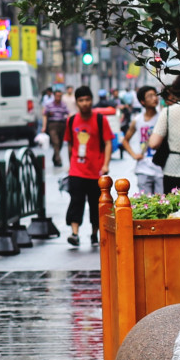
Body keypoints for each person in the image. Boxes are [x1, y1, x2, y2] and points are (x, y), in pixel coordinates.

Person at [63, 86, 113, 247]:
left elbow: (108, 143)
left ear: (91, 100)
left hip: (96, 171)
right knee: (76, 201)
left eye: (87, 99)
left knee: (95, 204)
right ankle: (74, 233)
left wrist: (105, 164)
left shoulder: (100, 120)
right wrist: (71, 164)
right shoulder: (71, 120)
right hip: (77, 170)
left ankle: (94, 234)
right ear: (76, 102)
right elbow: (70, 144)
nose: (84, 103)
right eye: (81, 100)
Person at [125, 85, 164, 195]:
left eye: (155, 95)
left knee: (161, 202)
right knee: (145, 203)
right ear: (142, 102)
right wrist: (134, 155)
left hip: (160, 169)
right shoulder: (137, 120)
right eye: (150, 96)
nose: (154, 98)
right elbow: (125, 140)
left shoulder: (162, 117)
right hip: (143, 168)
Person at [43, 87, 70, 167]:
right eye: (57, 96)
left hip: (62, 125)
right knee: (56, 142)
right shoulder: (49, 105)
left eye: (60, 96)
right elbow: (45, 115)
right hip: (52, 125)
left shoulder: (63, 105)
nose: (58, 97)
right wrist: (44, 127)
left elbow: (68, 114)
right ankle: (58, 160)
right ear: (54, 96)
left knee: (60, 143)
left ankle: (54, 157)